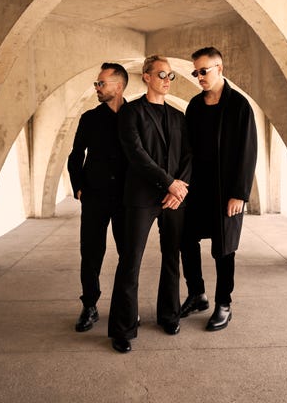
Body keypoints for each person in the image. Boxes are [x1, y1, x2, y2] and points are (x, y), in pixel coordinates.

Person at [108, 55, 192, 353]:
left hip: (173, 200)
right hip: (141, 198)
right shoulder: (131, 113)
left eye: (171, 76)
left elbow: (188, 157)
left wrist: (179, 188)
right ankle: (123, 328)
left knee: (172, 258)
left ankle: (169, 315)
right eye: (161, 74)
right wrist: (168, 182)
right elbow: (136, 154)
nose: (167, 80)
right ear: (146, 76)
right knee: (130, 262)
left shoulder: (179, 117)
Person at [180, 46, 257, 331]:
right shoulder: (195, 106)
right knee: (186, 239)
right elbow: (187, 150)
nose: (199, 77)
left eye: (204, 71)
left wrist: (240, 193)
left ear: (219, 69)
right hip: (197, 189)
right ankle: (197, 294)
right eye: (195, 72)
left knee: (224, 249)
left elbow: (248, 152)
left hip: (226, 192)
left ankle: (224, 304)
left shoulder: (239, 105)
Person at [67, 62, 128, 332]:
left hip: (126, 198)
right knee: (91, 253)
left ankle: (126, 307)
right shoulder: (89, 118)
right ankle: (89, 306)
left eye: (101, 83)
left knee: (128, 254)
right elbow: (75, 155)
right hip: (94, 197)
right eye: (97, 83)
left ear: (119, 85)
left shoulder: (135, 115)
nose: (97, 88)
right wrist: (79, 186)